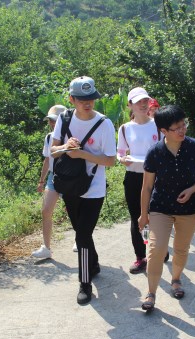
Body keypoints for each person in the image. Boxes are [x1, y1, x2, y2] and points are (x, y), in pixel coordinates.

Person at [50, 76, 117, 304]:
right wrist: (65, 147)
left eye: (91, 98)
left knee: (81, 235)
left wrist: (82, 154)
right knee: (82, 232)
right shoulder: (64, 118)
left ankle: (85, 282)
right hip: (70, 185)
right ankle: (94, 264)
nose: (87, 103)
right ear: (71, 99)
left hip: (94, 188)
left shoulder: (104, 124)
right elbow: (53, 151)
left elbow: (110, 160)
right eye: (81, 99)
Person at [138, 105, 195, 311]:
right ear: (163, 131)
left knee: (181, 249)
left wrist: (192, 189)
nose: (182, 130)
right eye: (176, 127)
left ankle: (176, 279)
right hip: (160, 207)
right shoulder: (155, 152)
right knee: (156, 249)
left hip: (190, 209)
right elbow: (147, 186)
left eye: (183, 125)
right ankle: (151, 292)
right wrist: (143, 215)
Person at [117, 87, 162, 274]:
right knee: (137, 218)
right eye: (138, 102)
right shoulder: (125, 128)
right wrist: (122, 159)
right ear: (130, 105)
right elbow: (120, 152)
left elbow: (166, 149)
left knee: (158, 216)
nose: (143, 105)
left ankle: (159, 250)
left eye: (145, 101)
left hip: (156, 177)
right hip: (134, 176)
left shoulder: (158, 125)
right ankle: (140, 256)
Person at [32, 105, 67, 259]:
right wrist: (41, 181)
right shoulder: (49, 137)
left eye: (55, 120)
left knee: (73, 211)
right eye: (50, 121)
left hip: (70, 178)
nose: (52, 123)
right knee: (46, 210)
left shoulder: (72, 136)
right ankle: (46, 248)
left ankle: (79, 240)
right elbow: (47, 160)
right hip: (53, 177)